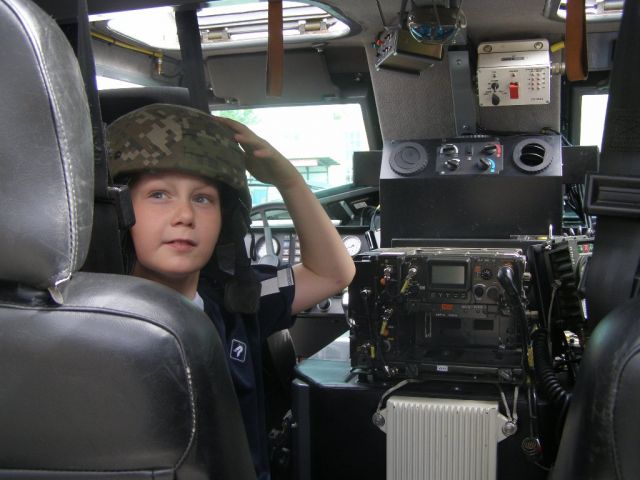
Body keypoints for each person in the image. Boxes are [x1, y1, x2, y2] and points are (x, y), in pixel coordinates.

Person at [106, 103, 355, 480]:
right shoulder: (90, 321)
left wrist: (287, 180)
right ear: (121, 210)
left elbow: (333, 273)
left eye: (202, 198)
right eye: (159, 195)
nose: (184, 215)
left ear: (225, 221)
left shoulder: (238, 302)